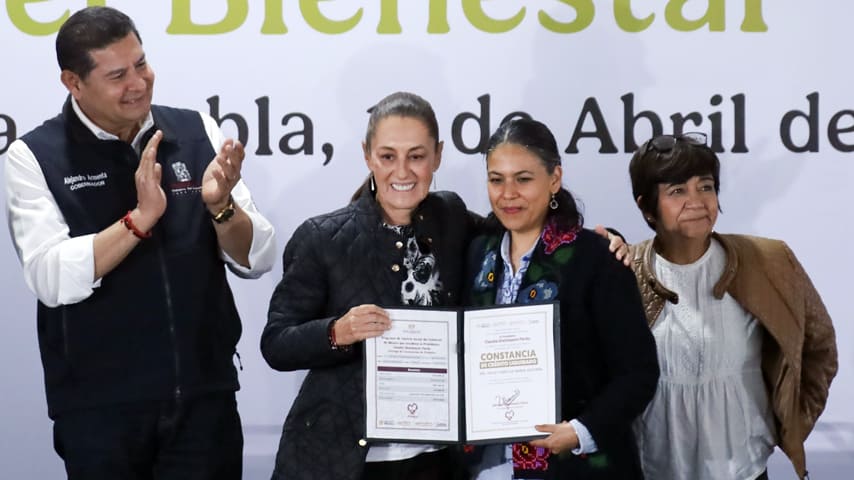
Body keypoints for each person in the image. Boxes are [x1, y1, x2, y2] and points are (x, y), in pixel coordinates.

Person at [3, 6, 276, 479]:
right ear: (74, 83)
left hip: (204, 399)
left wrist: (221, 208)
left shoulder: (195, 131)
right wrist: (138, 221)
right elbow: (50, 277)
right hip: (100, 410)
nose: (139, 83)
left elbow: (257, 256)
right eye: (117, 75)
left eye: (142, 64)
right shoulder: (34, 155)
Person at [261, 91, 476, 480]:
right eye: (388, 156)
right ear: (367, 155)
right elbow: (276, 343)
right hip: (338, 460)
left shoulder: (453, 217)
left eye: (417, 155)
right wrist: (336, 332)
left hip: (435, 460)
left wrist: (601, 240)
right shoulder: (321, 237)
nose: (403, 171)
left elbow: (518, 238)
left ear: (438, 155)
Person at [626, 132, 838, 480]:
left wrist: (786, 425)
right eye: (677, 191)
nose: (696, 201)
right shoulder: (624, 271)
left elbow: (820, 349)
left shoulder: (769, 261)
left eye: (705, 186)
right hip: (650, 469)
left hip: (745, 469)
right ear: (647, 206)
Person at [462, 118, 659, 479]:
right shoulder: (476, 255)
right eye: (496, 179)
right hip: (490, 469)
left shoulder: (597, 258)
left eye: (523, 179)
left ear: (554, 179)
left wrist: (580, 431)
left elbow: (639, 373)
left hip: (578, 468)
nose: (508, 193)